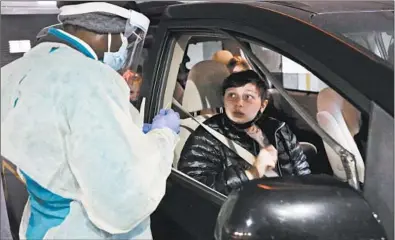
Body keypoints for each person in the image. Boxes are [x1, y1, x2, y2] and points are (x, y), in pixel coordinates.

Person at [1, 1, 180, 239]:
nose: (124, 47)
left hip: (42, 225)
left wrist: (130, 134)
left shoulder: (16, 71)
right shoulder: (91, 79)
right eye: (122, 38)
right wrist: (163, 138)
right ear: (104, 34)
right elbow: (124, 199)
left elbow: (61, 141)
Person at [178, 70, 310, 195]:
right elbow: (195, 191)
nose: (239, 103)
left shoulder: (279, 130)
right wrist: (251, 173)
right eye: (232, 95)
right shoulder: (206, 136)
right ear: (223, 99)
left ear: (262, 105)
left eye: (248, 97)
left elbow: (303, 175)